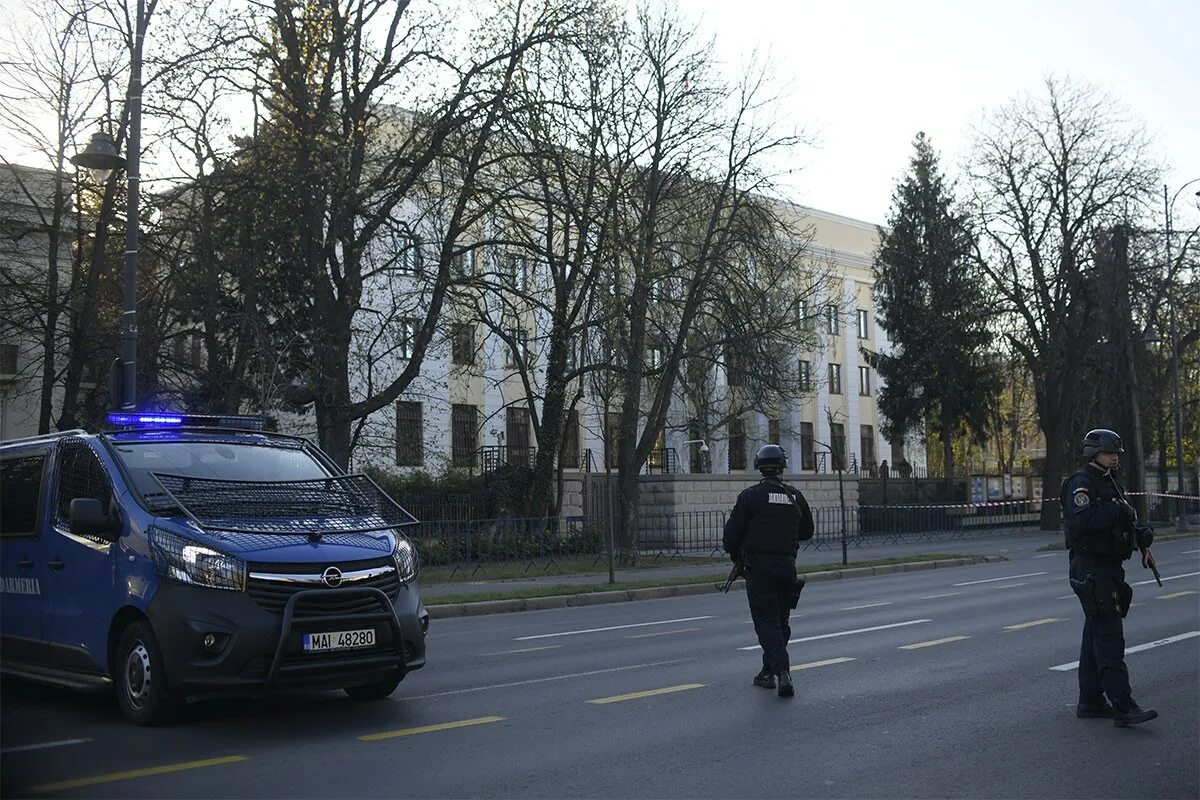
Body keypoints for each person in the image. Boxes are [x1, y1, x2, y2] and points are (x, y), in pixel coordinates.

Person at [1060, 428, 1157, 727]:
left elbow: (1124, 518)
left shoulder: (1111, 483)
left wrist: (1140, 534)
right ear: (1093, 453)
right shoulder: (1082, 484)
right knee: (1109, 637)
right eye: (1109, 452)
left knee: (1095, 633)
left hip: (1109, 567)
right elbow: (1084, 523)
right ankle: (1123, 706)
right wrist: (1115, 510)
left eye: (1116, 452)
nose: (1115, 456)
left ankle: (1090, 700)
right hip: (1091, 568)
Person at [723, 444, 814, 698]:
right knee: (780, 622)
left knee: (766, 622)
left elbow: (731, 536)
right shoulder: (794, 496)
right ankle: (767, 671)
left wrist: (737, 556)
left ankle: (782, 672)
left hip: (759, 568)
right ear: (782, 466)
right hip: (787, 567)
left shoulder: (751, 496)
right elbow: (807, 532)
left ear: (759, 466)